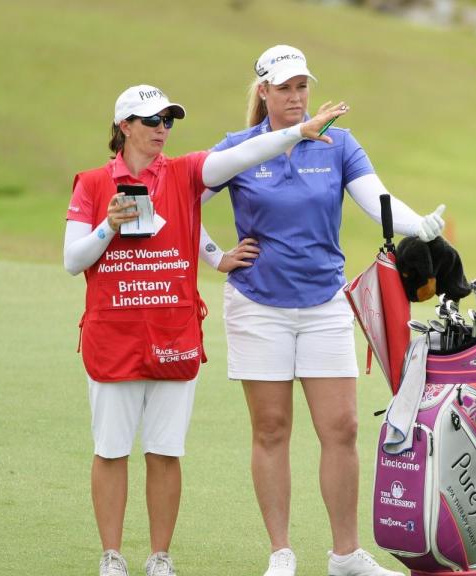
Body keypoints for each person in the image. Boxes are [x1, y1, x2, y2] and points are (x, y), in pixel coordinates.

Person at [64, 84, 348, 576]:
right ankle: (112, 557)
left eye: (168, 120)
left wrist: (297, 134)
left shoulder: (185, 172)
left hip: (173, 333)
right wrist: (107, 225)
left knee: (165, 451)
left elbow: (243, 153)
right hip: (113, 333)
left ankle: (159, 557)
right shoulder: (92, 183)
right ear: (125, 126)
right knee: (111, 449)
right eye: (151, 120)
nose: (162, 129)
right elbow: (73, 261)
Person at [199, 45, 445, 576]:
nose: (296, 97)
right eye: (284, 88)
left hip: (324, 303)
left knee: (341, 426)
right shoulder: (242, 148)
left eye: (302, 86)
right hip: (257, 305)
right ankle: (281, 553)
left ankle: (345, 556)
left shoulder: (339, 144)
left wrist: (417, 223)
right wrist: (215, 256)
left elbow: (375, 196)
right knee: (271, 429)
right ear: (263, 91)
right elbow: (179, 198)